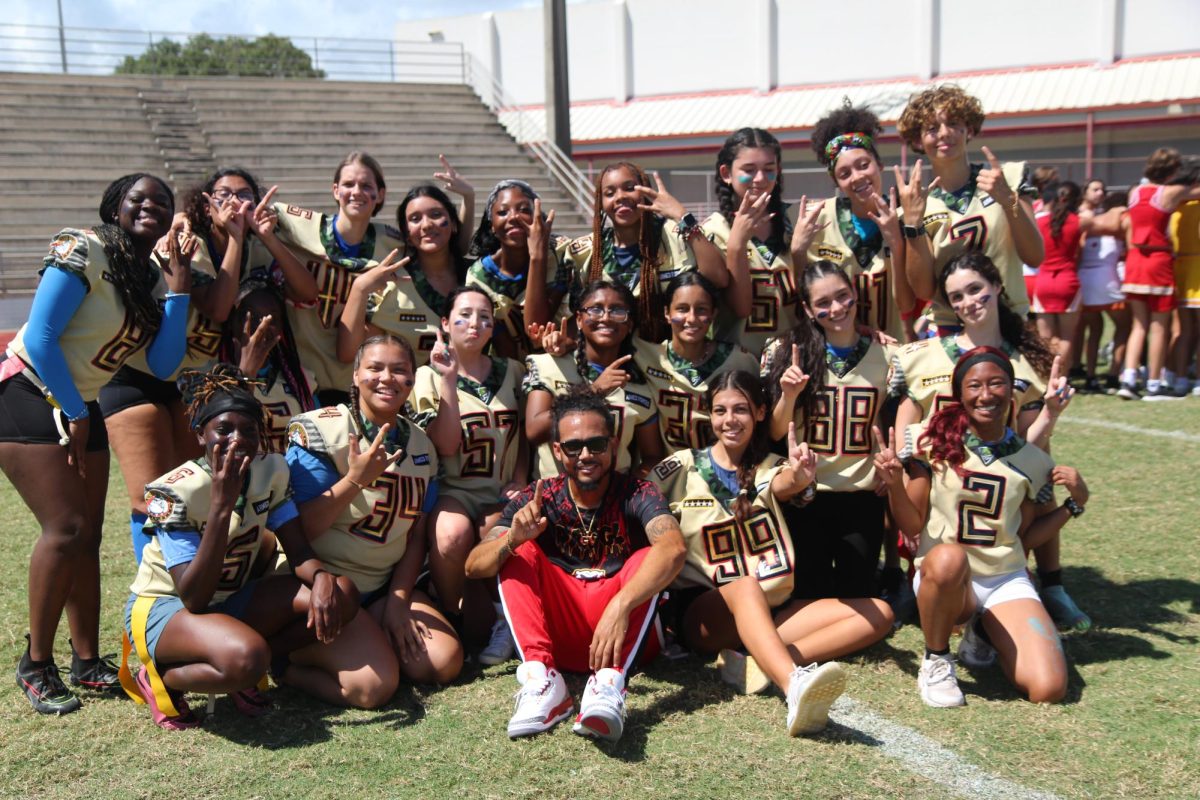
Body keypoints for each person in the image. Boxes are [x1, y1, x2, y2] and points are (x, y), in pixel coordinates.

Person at [0, 173, 191, 715]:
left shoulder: (148, 275)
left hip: (78, 405)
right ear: (115, 206)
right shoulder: (81, 247)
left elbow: (162, 363)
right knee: (67, 529)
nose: (150, 206)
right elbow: (40, 336)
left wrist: (178, 287)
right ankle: (36, 663)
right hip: (31, 393)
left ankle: (86, 661)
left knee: (88, 536)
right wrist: (75, 409)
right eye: (139, 198)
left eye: (162, 201)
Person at [651, 370, 893, 735]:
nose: (729, 420)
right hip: (705, 613)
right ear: (709, 415)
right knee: (745, 585)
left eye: (741, 410)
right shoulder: (679, 467)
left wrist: (801, 476)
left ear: (761, 413)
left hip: (768, 609)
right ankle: (793, 684)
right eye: (720, 411)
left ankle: (758, 662)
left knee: (880, 612)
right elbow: (636, 502)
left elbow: (786, 483)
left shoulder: (771, 467)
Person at [121, 365, 357, 729]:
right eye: (224, 429)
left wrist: (322, 576)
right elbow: (194, 598)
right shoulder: (174, 491)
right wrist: (220, 506)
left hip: (230, 598)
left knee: (342, 594)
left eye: (249, 429)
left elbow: (298, 552)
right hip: (167, 605)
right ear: (201, 434)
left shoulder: (271, 471)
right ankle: (160, 677)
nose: (237, 439)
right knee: (248, 657)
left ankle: (239, 668)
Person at [103, 168, 309, 562]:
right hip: (141, 374)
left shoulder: (259, 242)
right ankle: (152, 592)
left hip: (193, 384)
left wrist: (258, 236)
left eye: (244, 195)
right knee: (150, 495)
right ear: (204, 202)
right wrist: (233, 237)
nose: (234, 202)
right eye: (223, 194)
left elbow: (307, 292)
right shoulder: (187, 240)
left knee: (187, 489)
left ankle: (186, 578)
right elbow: (216, 306)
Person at [464, 389, 687, 742]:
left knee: (650, 555)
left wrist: (621, 605)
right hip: (559, 637)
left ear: (614, 445)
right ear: (557, 451)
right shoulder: (537, 498)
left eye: (597, 444)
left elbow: (674, 548)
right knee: (517, 552)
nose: (586, 455)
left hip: (624, 635)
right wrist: (512, 539)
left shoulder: (638, 492)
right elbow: (474, 566)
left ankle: (609, 684)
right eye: (573, 447)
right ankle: (542, 680)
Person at [875, 347, 1087, 707]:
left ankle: (984, 629)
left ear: (1011, 390)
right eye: (975, 385)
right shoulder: (929, 439)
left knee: (1049, 689)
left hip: (1003, 577)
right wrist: (895, 484)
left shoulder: (1033, 460)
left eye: (997, 384)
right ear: (959, 393)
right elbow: (911, 525)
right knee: (948, 558)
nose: (986, 394)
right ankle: (937, 658)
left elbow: (1025, 539)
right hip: (946, 577)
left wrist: (1073, 504)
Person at [888, 252, 1086, 630]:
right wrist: (903, 465)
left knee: (1020, 517)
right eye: (957, 296)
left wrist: (1051, 412)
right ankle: (915, 588)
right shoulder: (920, 355)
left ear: (997, 287)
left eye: (976, 289)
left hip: (996, 475)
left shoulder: (1028, 361)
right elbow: (907, 417)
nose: (969, 302)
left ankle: (1039, 586)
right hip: (935, 473)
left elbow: (1027, 442)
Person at [284, 334, 462, 708]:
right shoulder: (319, 430)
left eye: (400, 370)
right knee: (372, 688)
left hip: (381, 587)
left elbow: (414, 538)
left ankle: (373, 632)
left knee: (442, 664)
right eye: (375, 368)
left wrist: (397, 602)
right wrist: (353, 482)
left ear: (413, 380)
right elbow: (299, 532)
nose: (387, 378)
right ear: (355, 374)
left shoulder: (420, 446)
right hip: (325, 587)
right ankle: (284, 662)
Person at [408, 286, 528, 661]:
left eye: (484, 317)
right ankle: (452, 612)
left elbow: (526, 433)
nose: (474, 323)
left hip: (501, 488)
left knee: (500, 530)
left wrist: (521, 476)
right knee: (450, 534)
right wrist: (447, 380)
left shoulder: (514, 371)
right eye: (464, 315)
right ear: (445, 323)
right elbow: (445, 445)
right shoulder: (425, 377)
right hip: (455, 487)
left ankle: (502, 621)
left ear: (493, 327)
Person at [765, 261, 893, 600]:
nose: (836, 309)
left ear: (855, 295)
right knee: (810, 596)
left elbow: (897, 418)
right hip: (807, 493)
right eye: (823, 303)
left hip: (862, 494)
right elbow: (777, 432)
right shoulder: (786, 351)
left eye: (842, 296)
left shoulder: (889, 354)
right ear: (807, 309)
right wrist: (789, 395)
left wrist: (890, 462)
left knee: (858, 596)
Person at [895, 85, 1043, 334]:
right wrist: (912, 223)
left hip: (1009, 322)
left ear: (970, 129)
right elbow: (924, 290)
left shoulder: (1007, 177)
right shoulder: (917, 204)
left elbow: (1035, 256)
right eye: (932, 128)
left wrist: (1009, 201)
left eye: (953, 123)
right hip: (951, 328)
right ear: (918, 140)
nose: (944, 133)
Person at [272, 151, 406, 406]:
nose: (356, 191)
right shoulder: (298, 226)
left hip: (356, 380)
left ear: (381, 194)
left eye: (366, 186)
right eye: (348, 184)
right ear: (335, 190)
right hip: (300, 373)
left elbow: (450, 251)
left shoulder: (394, 245)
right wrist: (183, 218)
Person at [793, 103, 918, 343]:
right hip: (837, 349)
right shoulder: (820, 220)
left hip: (891, 349)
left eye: (863, 165)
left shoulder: (906, 219)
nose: (857, 177)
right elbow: (805, 297)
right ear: (836, 181)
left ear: (879, 164)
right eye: (844, 173)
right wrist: (798, 252)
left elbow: (906, 304)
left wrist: (896, 244)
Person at [565, 161, 728, 342]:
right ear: (600, 203)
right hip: (609, 359)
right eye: (609, 193)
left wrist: (681, 215)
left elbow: (719, 278)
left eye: (629, 188)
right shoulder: (587, 251)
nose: (620, 197)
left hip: (665, 359)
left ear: (646, 191)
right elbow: (576, 316)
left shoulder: (675, 235)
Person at [338, 163, 477, 367]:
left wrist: (469, 197)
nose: (427, 224)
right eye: (415, 219)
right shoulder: (392, 283)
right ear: (407, 236)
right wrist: (359, 288)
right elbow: (348, 353)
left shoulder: (474, 277)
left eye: (436, 215)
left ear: (454, 223)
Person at [524, 280, 663, 480]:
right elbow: (534, 431)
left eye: (617, 311)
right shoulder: (548, 365)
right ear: (579, 319)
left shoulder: (639, 384)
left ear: (629, 323)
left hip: (616, 504)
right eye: (596, 310)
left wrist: (629, 490)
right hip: (554, 500)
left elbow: (652, 457)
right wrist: (595, 390)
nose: (606, 318)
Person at [634, 272, 759, 452]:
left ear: (713, 314)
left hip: (729, 469)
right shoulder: (647, 356)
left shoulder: (739, 360)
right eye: (682, 309)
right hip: (673, 472)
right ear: (667, 313)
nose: (691, 319)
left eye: (701, 309)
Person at [1117, 148, 1200, 399]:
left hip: (1135, 261)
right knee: (1160, 327)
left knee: (1138, 326)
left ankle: (1129, 378)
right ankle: (1154, 382)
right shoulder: (1170, 192)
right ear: (1172, 170)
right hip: (1158, 260)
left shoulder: (1135, 192)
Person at [701, 127, 789, 358]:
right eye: (749, 170)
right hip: (739, 364)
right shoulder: (712, 232)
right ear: (726, 173)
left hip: (795, 363)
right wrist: (737, 244)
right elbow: (740, 308)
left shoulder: (798, 220)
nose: (760, 179)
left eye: (769, 169)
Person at [465, 179, 572, 358]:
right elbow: (517, 340)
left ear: (539, 217)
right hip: (510, 366)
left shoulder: (563, 255)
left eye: (524, 210)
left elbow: (537, 324)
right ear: (491, 225)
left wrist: (537, 256)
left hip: (562, 362)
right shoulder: (479, 277)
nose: (514, 217)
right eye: (502, 211)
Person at [219, 276, 318, 452]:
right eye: (250, 316)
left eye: (271, 318)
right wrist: (246, 371)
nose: (262, 325)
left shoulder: (302, 382)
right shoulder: (209, 379)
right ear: (232, 320)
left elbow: (317, 440)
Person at [1075, 179, 1130, 393]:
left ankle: (1090, 376)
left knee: (1094, 329)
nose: (1100, 193)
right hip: (1106, 280)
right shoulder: (1115, 221)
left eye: (1102, 190)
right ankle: (1114, 375)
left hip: (1085, 280)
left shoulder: (1085, 220)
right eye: (1095, 189)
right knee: (1125, 326)